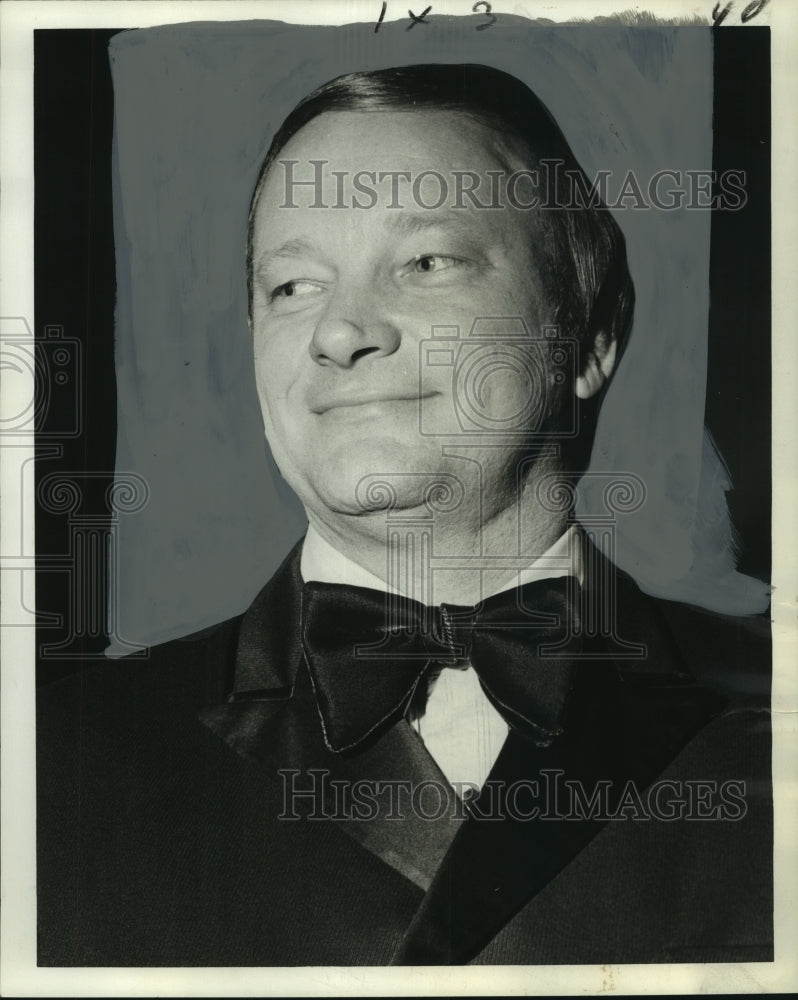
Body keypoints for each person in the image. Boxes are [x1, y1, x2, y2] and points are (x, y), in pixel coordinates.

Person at [37, 64, 771, 967]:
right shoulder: (46, 769)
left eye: (427, 262)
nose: (340, 332)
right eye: (293, 286)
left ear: (589, 335)